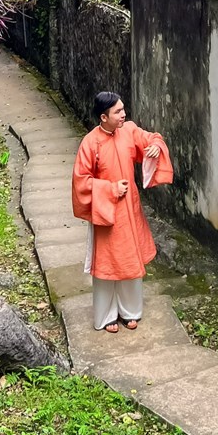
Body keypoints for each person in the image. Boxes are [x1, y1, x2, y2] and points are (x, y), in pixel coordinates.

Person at [71, 91, 173, 332]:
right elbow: (81, 182)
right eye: (118, 111)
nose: (123, 114)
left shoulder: (128, 130)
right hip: (105, 212)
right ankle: (106, 316)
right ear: (103, 117)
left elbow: (153, 138)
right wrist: (110, 188)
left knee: (129, 260)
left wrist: (156, 147)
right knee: (106, 264)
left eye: (123, 109)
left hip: (129, 209)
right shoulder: (90, 143)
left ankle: (130, 312)